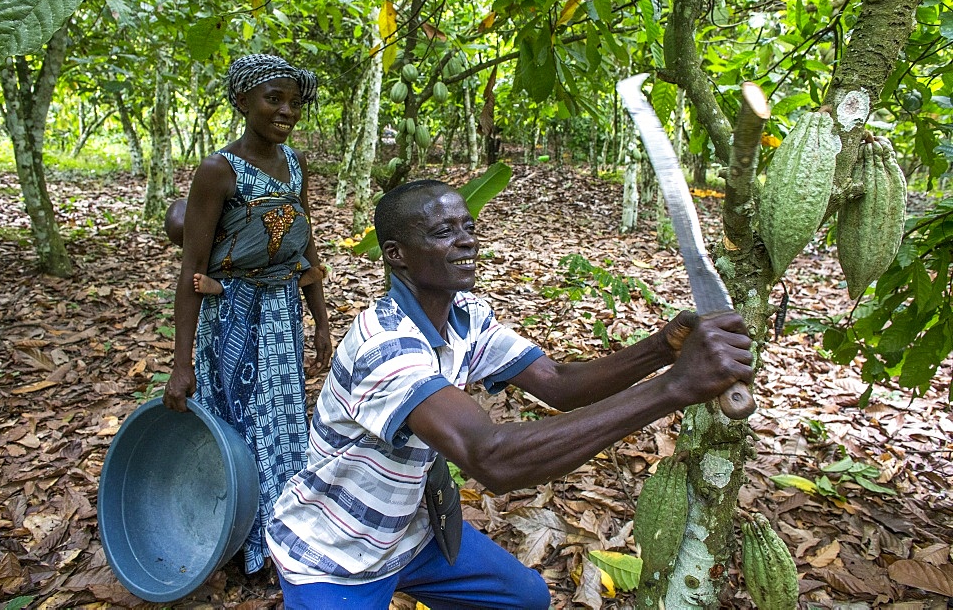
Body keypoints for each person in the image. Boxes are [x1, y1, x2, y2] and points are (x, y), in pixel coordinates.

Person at [265, 180, 755, 608]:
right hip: (335, 551)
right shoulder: (383, 346)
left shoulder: (465, 315)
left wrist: (663, 348)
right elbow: (492, 458)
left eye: (468, 227)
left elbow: (559, 384)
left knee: (524, 599)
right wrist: (675, 388)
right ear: (396, 254)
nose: (466, 243)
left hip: (410, 533)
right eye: (442, 233)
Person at [162, 53, 332, 576]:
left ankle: (278, 537)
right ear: (242, 102)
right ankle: (232, 538)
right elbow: (192, 268)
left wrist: (321, 322)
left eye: (294, 103)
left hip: (281, 313)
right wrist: (181, 363)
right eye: (273, 99)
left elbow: (305, 251)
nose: (286, 111)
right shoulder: (219, 170)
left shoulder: (296, 164)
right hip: (229, 314)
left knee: (281, 425)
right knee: (235, 419)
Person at [165, 197, 326, 295]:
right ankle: (215, 287)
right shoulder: (202, 256)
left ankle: (299, 278)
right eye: (182, 244)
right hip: (229, 279)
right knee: (215, 278)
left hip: (263, 263)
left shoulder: (222, 221)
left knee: (280, 263)